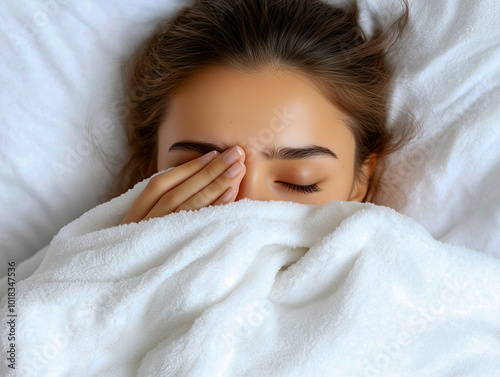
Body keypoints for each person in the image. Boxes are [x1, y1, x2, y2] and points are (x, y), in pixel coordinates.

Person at [108, 0, 418, 225]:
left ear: (360, 181)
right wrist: (124, 272)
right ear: (152, 168)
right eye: (202, 171)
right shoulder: (82, 287)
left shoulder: (397, 287)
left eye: (299, 182)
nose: (243, 206)